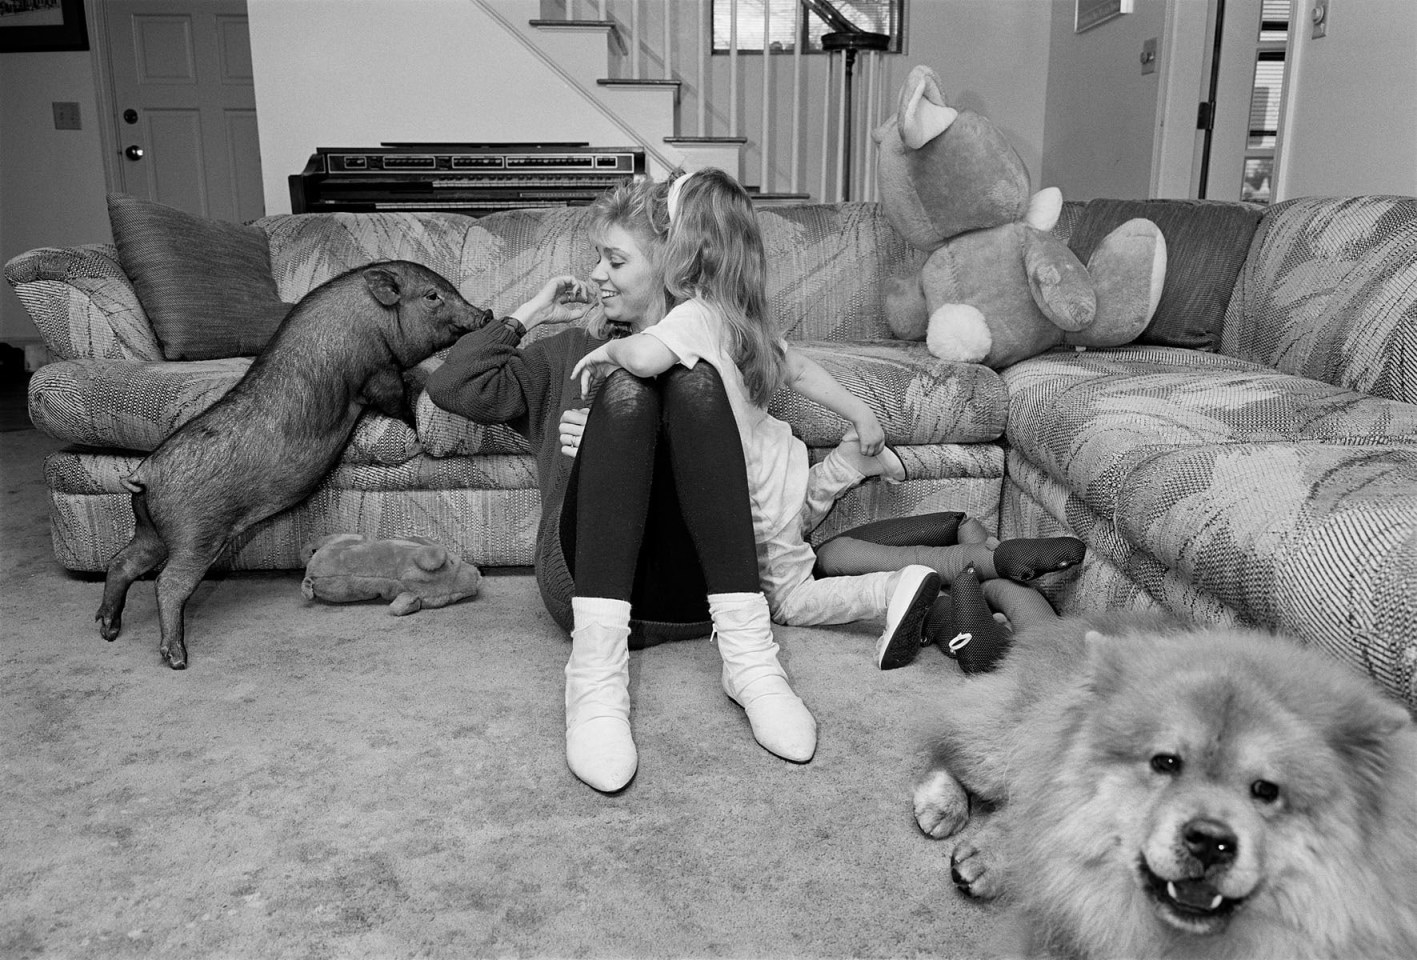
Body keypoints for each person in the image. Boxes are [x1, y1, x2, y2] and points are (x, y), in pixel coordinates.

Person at [427, 177, 817, 794]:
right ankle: (594, 682)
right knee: (628, 391)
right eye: (596, 258)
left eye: (615, 259)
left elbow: (757, 444)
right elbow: (452, 387)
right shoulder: (570, 351)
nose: (597, 274)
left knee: (690, 385)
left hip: (696, 596)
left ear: (668, 263)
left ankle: (751, 664)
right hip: (587, 588)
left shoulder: (716, 342)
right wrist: (530, 312)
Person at [570, 168, 948, 673]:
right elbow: (801, 370)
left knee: (788, 599)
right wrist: (858, 410)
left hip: (748, 504)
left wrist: (608, 351)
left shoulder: (693, 318)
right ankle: (849, 463)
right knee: (794, 516)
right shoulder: (738, 317)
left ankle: (893, 587)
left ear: (681, 251)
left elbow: (641, 359)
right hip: (777, 473)